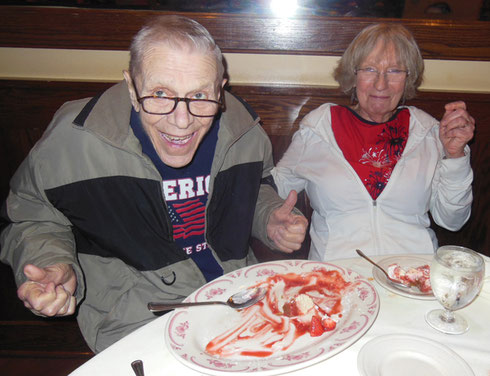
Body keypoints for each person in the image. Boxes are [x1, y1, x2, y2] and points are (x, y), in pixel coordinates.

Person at [0, 15, 307, 353]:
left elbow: (254, 189)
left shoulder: (246, 132)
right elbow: (32, 217)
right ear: (132, 88)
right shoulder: (71, 142)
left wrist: (268, 218)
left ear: (220, 90)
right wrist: (51, 263)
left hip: (236, 298)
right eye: (161, 93)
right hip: (137, 318)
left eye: (200, 95)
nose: (181, 120)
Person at [271, 23, 475, 261]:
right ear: (353, 74)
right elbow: (275, 190)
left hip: (413, 275)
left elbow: (452, 220)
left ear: (408, 78)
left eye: (395, 71)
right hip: (339, 275)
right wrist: (273, 220)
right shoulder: (318, 128)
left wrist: (455, 156)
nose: (381, 84)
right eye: (369, 69)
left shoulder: (428, 131)